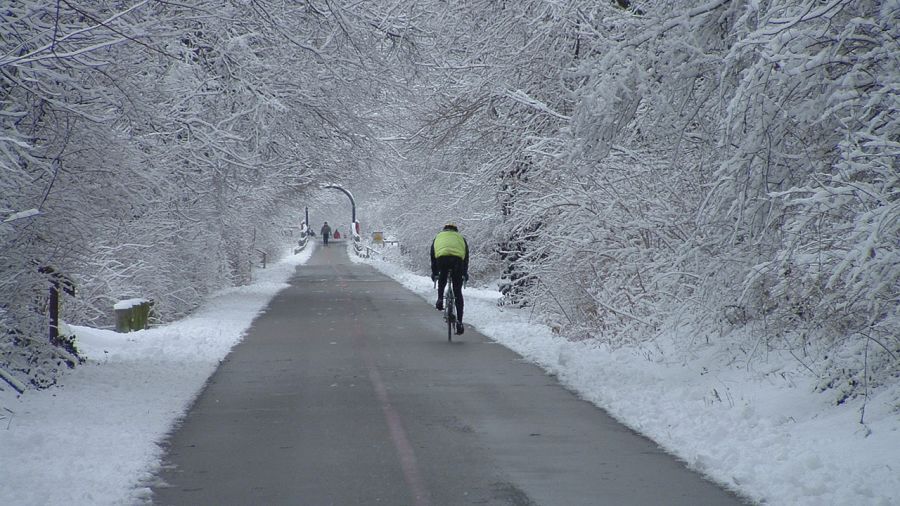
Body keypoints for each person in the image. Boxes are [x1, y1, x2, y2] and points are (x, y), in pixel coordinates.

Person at [430, 223, 469, 335]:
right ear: (456, 230)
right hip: (457, 262)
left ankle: (440, 299)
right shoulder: (461, 238)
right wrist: (464, 273)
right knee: (457, 291)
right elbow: (466, 258)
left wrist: (435, 273)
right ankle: (460, 323)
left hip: (442, 260)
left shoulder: (438, 237)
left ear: (444, 230)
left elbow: (433, 256)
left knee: (442, 277)